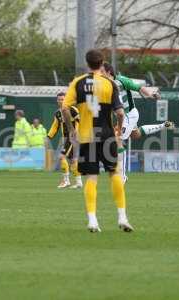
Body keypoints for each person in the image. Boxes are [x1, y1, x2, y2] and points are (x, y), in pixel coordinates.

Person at [62, 49, 132, 233]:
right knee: (114, 174)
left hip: (86, 137)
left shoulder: (77, 83)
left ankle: (93, 221)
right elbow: (120, 112)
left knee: (92, 178)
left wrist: (71, 131)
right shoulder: (109, 84)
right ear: (102, 63)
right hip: (107, 136)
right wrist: (117, 132)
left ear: (87, 63)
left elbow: (64, 108)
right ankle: (122, 217)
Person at [101, 62, 175, 182]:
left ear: (109, 72)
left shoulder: (122, 80)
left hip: (130, 115)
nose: (99, 74)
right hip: (122, 117)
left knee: (117, 139)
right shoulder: (103, 86)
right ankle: (163, 125)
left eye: (102, 71)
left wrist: (150, 94)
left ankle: (122, 176)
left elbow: (139, 88)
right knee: (136, 135)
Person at [47, 92, 82, 189]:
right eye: (59, 99)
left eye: (63, 99)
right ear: (57, 101)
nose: (61, 101)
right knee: (72, 161)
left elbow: (80, 121)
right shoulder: (58, 113)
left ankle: (66, 181)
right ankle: (79, 182)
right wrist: (49, 136)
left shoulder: (72, 110)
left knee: (61, 156)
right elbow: (55, 126)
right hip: (66, 138)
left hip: (72, 138)